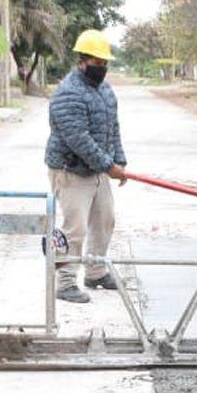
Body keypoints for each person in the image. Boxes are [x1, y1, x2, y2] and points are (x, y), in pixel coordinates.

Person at [44, 28, 128, 304]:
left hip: (98, 170)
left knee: (105, 219)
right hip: (70, 171)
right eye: (96, 62)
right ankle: (66, 282)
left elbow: (113, 128)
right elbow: (79, 139)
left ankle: (96, 271)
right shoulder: (68, 94)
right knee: (75, 227)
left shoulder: (105, 91)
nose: (101, 67)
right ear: (82, 60)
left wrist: (119, 159)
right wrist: (108, 165)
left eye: (104, 62)